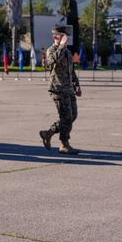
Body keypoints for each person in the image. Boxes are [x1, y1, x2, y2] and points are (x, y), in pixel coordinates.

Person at [39, 25, 82, 155]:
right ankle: (64, 144)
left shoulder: (68, 52)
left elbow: (71, 71)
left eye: (65, 36)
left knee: (72, 115)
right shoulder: (51, 50)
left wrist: (77, 85)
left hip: (68, 88)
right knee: (66, 117)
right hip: (57, 88)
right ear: (55, 37)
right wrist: (62, 46)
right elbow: (53, 61)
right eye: (62, 35)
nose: (65, 38)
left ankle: (49, 132)